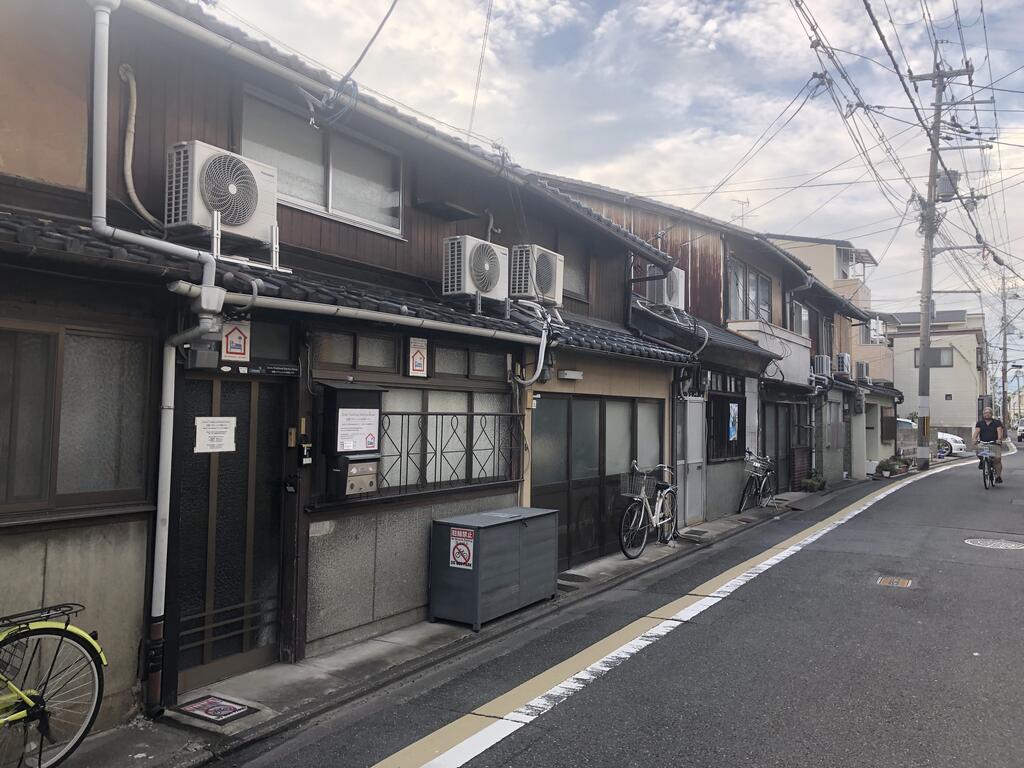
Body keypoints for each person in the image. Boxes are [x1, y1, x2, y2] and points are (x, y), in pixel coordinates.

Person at [972, 407, 1005, 483]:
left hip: (994, 443)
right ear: (983, 414)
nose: (987, 414)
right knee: (978, 450)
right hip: (983, 443)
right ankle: (982, 461)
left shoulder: (997, 422)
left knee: (997, 459)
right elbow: (976, 433)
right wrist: (974, 439)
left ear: (991, 414)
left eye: (988, 413)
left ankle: (998, 476)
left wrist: (999, 439)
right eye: (985, 413)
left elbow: (1000, 432)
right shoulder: (980, 423)